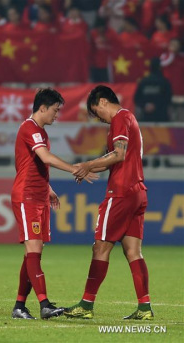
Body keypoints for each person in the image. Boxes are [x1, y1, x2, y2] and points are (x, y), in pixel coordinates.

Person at [65, 85, 153, 320]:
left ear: (103, 102)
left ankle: (86, 305)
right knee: (133, 251)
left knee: (100, 247)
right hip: (138, 191)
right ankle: (145, 308)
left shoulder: (120, 118)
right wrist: (86, 167)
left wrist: (87, 164)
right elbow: (114, 159)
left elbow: (119, 154)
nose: (98, 118)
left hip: (121, 191)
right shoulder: (128, 118)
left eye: (97, 112)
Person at [10, 88, 97, 320]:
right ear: (43, 108)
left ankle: (19, 305)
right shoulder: (29, 128)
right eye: (56, 110)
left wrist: (47, 188)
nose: (57, 115)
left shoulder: (41, 132)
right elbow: (46, 158)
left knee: (33, 254)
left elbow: (32, 164)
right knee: (34, 251)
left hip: (38, 196)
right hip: (26, 197)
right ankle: (44, 304)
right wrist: (75, 168)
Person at [134, 58, 173, 122]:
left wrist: (145, 105)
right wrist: (156, 106)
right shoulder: (165, 82)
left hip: (146, 119)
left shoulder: (143, 81)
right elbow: (168, 98)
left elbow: (137, 99)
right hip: (161, 119)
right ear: (160, 67)